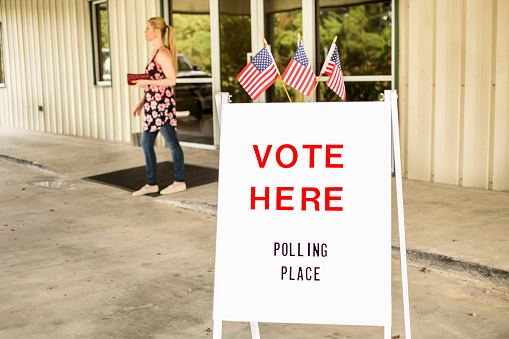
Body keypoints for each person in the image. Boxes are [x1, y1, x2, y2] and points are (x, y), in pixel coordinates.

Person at [131, 17, 186, 196]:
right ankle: (151, 183)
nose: (145, 32)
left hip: (162, 107)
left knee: (172, 143)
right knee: (146, 144)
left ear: (157, 31)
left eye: (147, 28)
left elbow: (171, 80)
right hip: (152, 106)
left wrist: (144, 81)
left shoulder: (163, 53)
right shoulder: (154, 53)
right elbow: (155, 82)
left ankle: (179, 181)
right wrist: (142, 101)